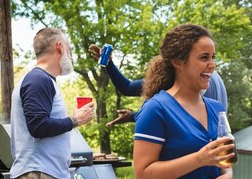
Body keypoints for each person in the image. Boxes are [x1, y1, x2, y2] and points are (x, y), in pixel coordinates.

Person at [133, 24, 235, 179]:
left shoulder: (215, 108)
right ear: (178, 61)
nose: (212, 65)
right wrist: (199, 159)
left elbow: (224, 159)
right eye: (204, 58)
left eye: (213, 58)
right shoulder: (156, 109)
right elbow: (143, 173)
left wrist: (227, 177)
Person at [10, 27, 95, 179]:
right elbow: (38, 126)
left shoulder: (47, 81)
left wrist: (73, 120)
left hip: (54, 176)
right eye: (69, 48)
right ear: (59, 47)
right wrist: (75, 120)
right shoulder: (38, 80)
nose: (71, 54)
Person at [88, 44, 228, 127]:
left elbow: (176, 117)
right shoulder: (210, 75)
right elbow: (129, 88)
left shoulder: (185, 78)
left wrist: (134, 116)